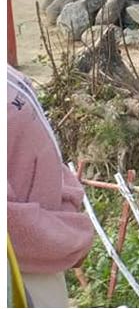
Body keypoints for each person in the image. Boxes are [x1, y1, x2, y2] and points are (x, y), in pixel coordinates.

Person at [7, 64, 94, 307]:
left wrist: (68, 204)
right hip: (20, 276)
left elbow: (43, 150)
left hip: (42, 262)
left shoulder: (10, 76)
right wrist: (68, 240)